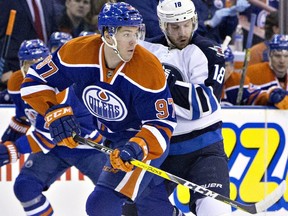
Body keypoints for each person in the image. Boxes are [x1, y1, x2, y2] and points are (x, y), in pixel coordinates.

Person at [20, 2, 176, 216]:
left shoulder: (149, 68)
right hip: (109, 139)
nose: (134, 41)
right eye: (126, 33)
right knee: (151, 205)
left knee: (101, 206)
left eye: (137, 32)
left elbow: (162, 123)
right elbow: (35, 81)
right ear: (107, 34)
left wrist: (136, 148)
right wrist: (53, 112)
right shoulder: (76, 52)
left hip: (142, 143)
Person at [135, 0, 231, 215]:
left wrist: (160, 80)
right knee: (131, 209)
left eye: (187, 24)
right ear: (163, 25)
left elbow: (202, 104)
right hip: (160, 150)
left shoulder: (210, 52)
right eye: (175, 26)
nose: (182, 32)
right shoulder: (145, 49)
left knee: (215, 211)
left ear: (194, 21)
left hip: (203, 151)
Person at [0, 38, 106, 216]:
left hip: (89, 148)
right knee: (25, 187)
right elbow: (23, 118)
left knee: (113, 197)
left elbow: (47, 136)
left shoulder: (60, 84)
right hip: (57, 150)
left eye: (39, 63)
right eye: (28, 65)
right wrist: (6, 142)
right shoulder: (17, 83)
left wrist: (13, 149)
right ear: (20, 65)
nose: (34, 69)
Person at [0, 0, 60, 87]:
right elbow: (1, 34)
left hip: (45, 68)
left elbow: (53, 33)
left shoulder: (48, 2)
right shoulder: (8, 2)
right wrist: (4, 69)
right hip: (15, 69)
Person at [246, 34, 288, 109]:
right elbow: (245, 100)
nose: (282, 61)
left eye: (286, 56)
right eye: (277, 56)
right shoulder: (253, 73)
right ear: (269, 56)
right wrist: (267, 96)